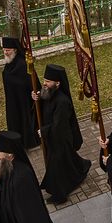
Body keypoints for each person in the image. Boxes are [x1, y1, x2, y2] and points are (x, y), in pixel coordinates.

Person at [32, 64, 91, 204]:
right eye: (44, 80)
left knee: (56, 165)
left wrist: (44, 131)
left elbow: (59, 125)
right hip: (52, 136)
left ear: (57, 83)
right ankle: (82, 168)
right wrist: (36, 99)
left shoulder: (62, 101)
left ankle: (60, 195)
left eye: (48, 81)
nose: (44, 84)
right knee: (67, 161)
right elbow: (41, 108)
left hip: (60, 138)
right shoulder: (48, 93)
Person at [1, 36, 39, 151]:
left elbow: (33, 82)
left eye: (8, 50)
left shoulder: (23, 64)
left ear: (15, 50)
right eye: (4, 50)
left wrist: (33, 93)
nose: (5, 52)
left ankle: (27, 143)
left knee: (24, 121)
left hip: (23, 101)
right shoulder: (9, 63)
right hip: (12, 101)